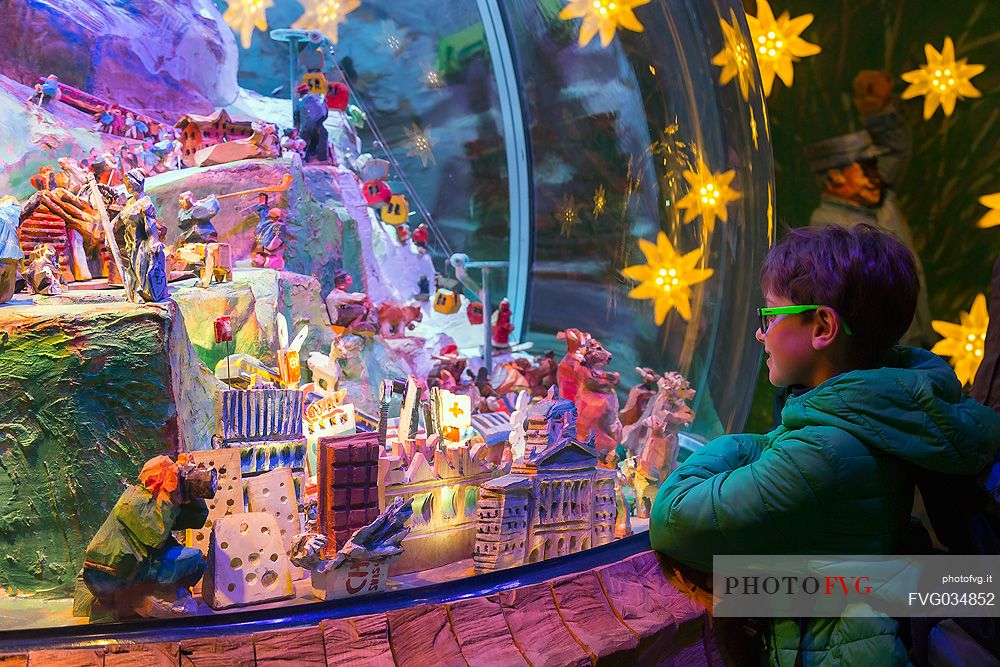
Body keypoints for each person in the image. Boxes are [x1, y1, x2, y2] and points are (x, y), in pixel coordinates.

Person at [649, 224, 1000, 666]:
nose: (761, 333)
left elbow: (673, 518)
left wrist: (749, 443)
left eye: (771, 316)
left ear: (822, 326)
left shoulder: (822, 452)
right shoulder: (885, 408)